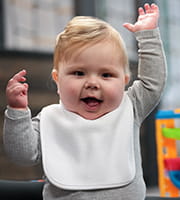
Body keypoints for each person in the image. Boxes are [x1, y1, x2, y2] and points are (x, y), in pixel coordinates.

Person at [4, 3, 166, 200]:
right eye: (78, 73)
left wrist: (148, 36)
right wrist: (17, 111)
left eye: (106, 75)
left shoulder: (130, 107)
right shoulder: (50, 119)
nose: (92, 83)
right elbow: (23, 155)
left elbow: (153, 83)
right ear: (58, 80)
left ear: (124, 81)